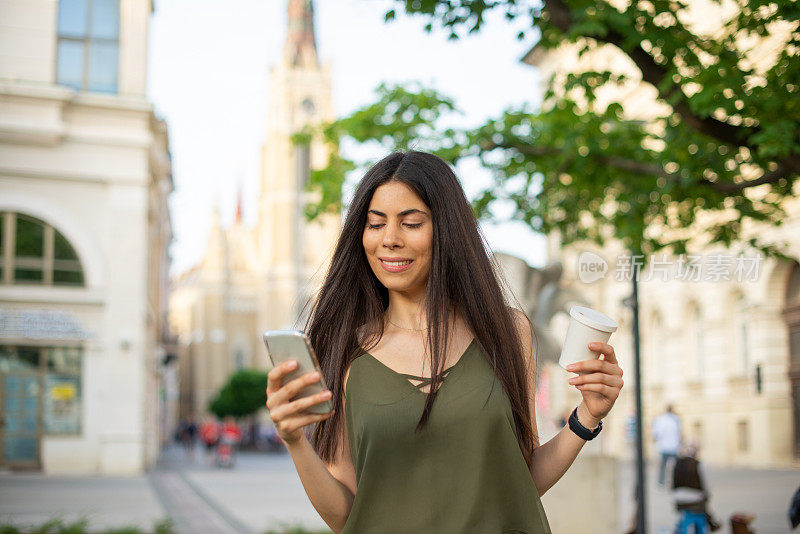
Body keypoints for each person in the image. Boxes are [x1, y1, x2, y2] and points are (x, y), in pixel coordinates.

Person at [265, 151, 625, 533]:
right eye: (375, 224)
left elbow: (520, 479)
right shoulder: (345, 352)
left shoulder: (506, 331)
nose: (389, 239)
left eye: (411, 223)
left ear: (447, 229)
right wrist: (294, 441)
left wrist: (588, 416)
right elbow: (343, 514)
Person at [672, 441, 719, 533]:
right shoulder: (700, 464)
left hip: (678, 498)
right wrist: (707, 495)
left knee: (687, 518)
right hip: (696, 499)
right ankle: (708, 524)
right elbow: (707, 485)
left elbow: (669, 483)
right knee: (701, 514)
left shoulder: (674, 463)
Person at [652, 404, 682, 487]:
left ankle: (661, 482)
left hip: (663, 447)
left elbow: (656, 434)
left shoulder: (660, 419)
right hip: (674, 446)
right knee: (674, 467)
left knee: (663, 467)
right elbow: (679, 433)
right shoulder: (676, 419)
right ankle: (675, 482)